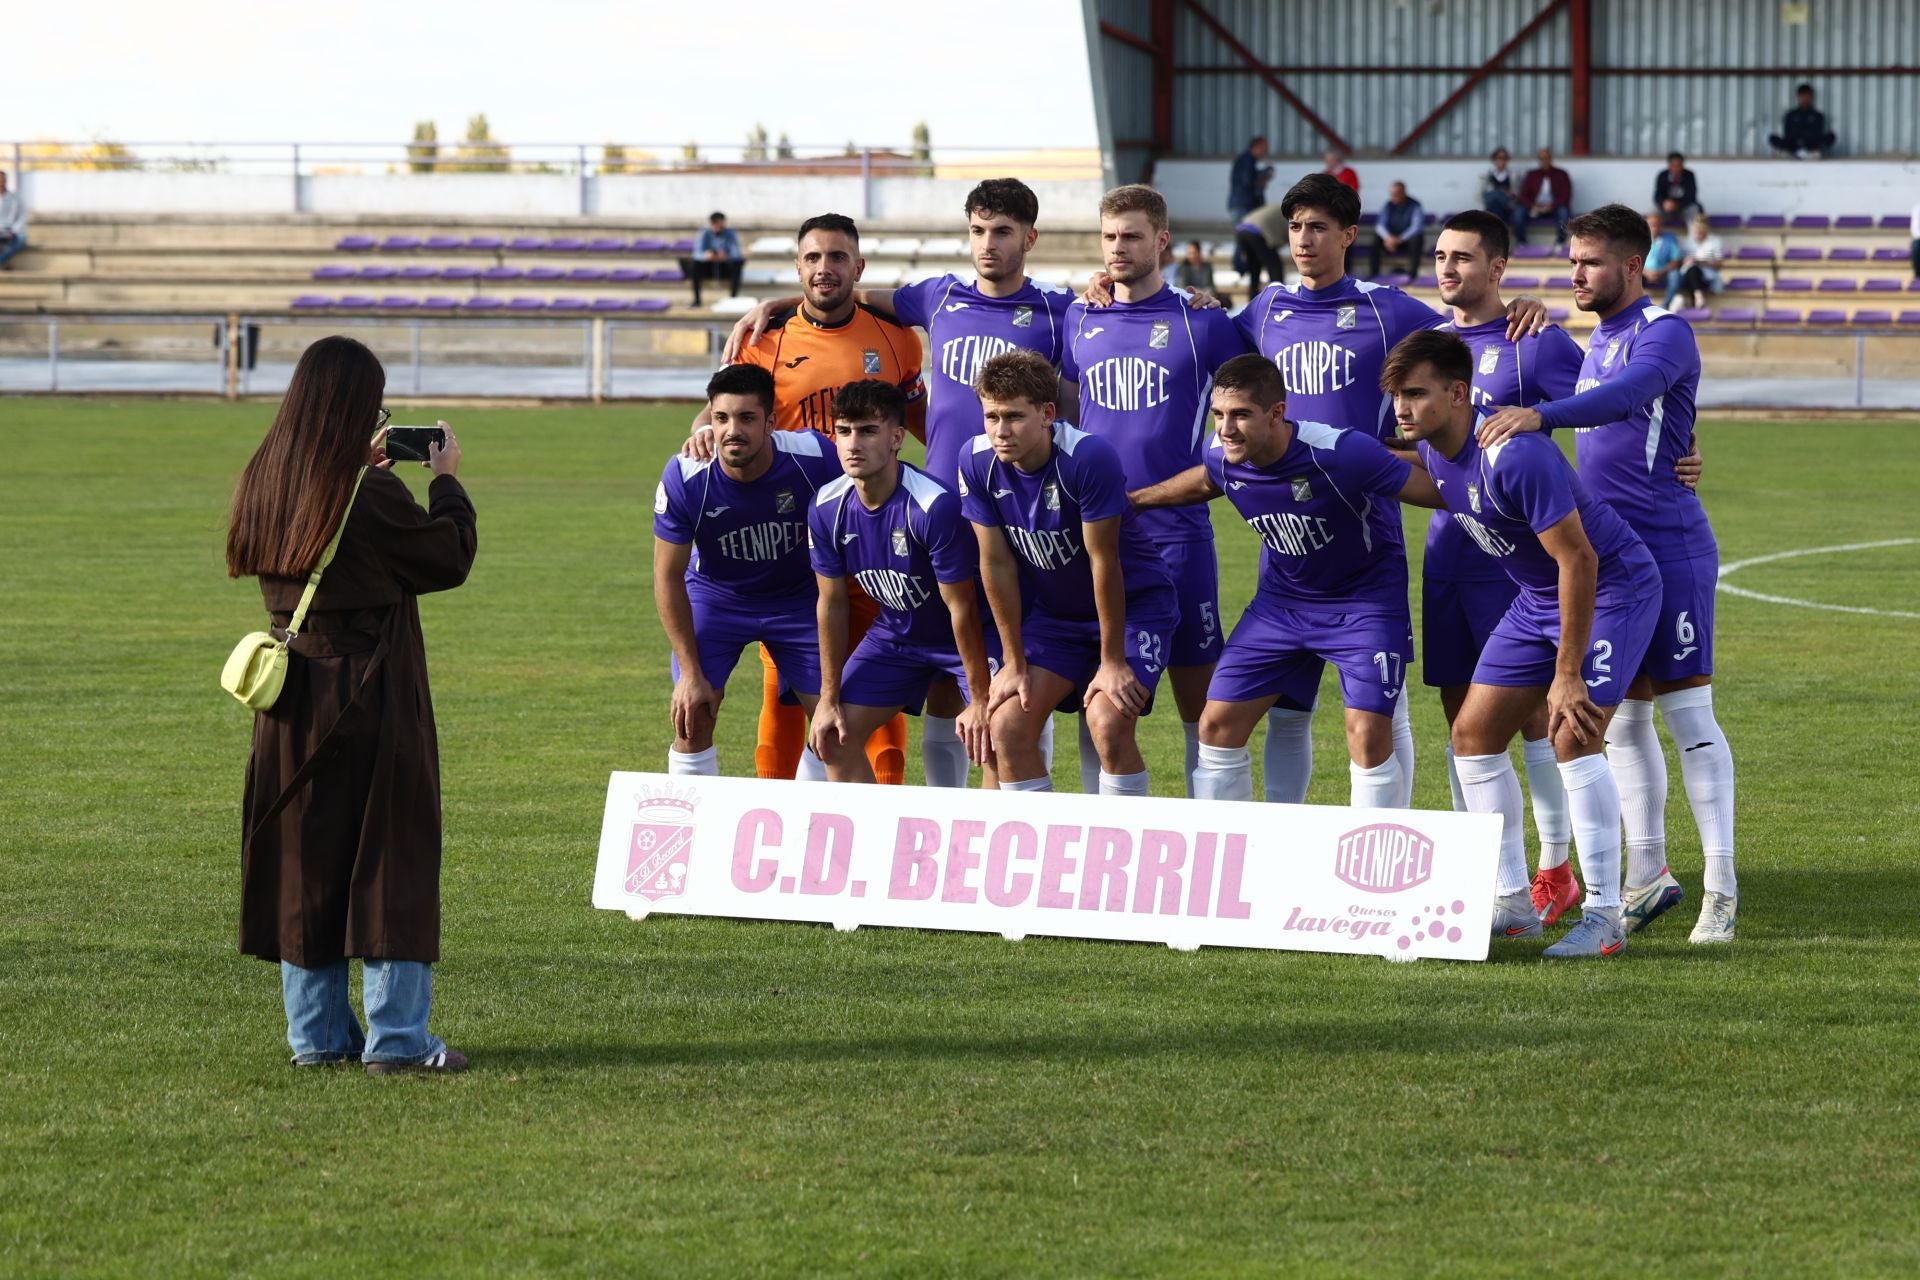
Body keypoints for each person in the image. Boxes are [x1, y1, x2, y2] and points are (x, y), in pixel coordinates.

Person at [723, 179, 1076, 786]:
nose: (988, 245)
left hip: (1020, 513)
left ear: (1029, 238)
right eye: (978, 231)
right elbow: (845, 292)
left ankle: (1011, 809)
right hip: (933, 512)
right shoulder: (938, 298)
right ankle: (928, 817)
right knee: (939, 673)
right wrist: (778, 303)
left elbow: (1106, 334)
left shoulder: (1059, 308)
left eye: (1002, 232)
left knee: (1012, 671)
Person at [1230, 171, 1547, 807]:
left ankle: (1399, 844)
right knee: (1289, 709)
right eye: (1294, 228)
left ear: (1348, 235)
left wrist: (1518, 306)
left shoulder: (1387, 309)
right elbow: (1200, 342)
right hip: (1285, 537)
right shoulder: (1264, 311)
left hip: (1368, 528)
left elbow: (1467, 330)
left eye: (1318, 227)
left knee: (1379, 706)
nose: (1303, 240)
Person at [1480, 204, 1738, 945]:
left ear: (1632, 265)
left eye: (1589, 263)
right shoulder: (1593, 338)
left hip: (1672, 550)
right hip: (1613, 565)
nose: (1576, 274)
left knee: (1690, 721)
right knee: (1620, 720)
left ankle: (1721, 889)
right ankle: (1648, 875)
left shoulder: (1665, 331)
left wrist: (1542, 416)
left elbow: (1632, 396)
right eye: (1571, 262)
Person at [225, 336, 477, 1071]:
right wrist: (448, 482)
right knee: (389, 852)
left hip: (290, 701)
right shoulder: (367, 492)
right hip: (370, 693)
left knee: (306, 862)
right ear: (354, 408)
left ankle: (319, 1037)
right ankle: (399, 1039)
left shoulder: (264, 477)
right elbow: (446, 556)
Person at [1385, 329, 1661, 959]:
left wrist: (1567, 674)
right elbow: (1398, 470)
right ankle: (1513, 904)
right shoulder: (1436, 450)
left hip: (1611, 588)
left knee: (1573, 731)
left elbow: (1580, 562)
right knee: (1472, 736)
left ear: (1458, 393)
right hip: (1538, 599)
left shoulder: (1516, 455)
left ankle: (1603, 915)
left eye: (1416, 394)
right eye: (1397, 395)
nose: (1402, 408)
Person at [1130, 354, 1440, 809]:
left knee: (1368, 734)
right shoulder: (1221, 455)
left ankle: (1374, 864)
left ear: (1276, 413)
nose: (1225, 428)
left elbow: (1435, 490)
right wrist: (1134, 501)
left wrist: (1509, 494)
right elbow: (1205, 481)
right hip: (1280, 606)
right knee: (1215, 728)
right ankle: (1230, 865)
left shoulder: (1342, 452)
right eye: (1218, 415)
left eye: (1240, 415)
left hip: (1364, 605)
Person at [684, 212, 923, 786]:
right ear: (798, 267)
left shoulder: (896, 340)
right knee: (786, 682)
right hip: (791, 535)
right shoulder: (762, 339)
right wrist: (699, 432)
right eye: (813, 258)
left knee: (876, 666)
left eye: (837, 257)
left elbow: (921, 423)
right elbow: (721, 410)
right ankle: (779, 806)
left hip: (870, 527)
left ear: (857, 266)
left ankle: (882, 806)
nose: (824, 269)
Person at [1425, 210, 1587, 924]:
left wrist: (1682, 450)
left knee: (1525, 720)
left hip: (1515, 567)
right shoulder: (1426, 347)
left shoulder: (1534, 341)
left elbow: (1611, 407)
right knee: (1462, 715)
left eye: (1464, 258)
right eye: (1440, 256)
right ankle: (1491, 873)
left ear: (1498, 269)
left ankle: (1553, 865)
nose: (1448, 269)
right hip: (1447, 554)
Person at [1062, 184, 1249, 796]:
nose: (1119, 248)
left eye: (1133, 236)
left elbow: (1257, 398)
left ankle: (1217, 851)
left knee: (1203, 707)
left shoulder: (1204, 325)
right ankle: (1108, 849)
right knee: (1103, 698)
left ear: (1162, 241)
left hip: (1178, 536)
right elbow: (1068, 405)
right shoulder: (1080, 314)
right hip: (1096, 537)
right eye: (1110, 237)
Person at [960, 351, 1179, 795]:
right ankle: (1034, 853)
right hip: (1057, 618)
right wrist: (1014, 662)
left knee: (1108, 722)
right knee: (1006, 726)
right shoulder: (976, 460)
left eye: (1014, 417)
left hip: (1134, 608)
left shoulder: (1087, 457)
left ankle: (1124, 849)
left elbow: (1105, 561)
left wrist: (1112, 661)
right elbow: (996, 563)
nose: (1001, 431)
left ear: (1047, 414)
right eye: (991, 416)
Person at [653, 364, 842, 777]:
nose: (732, 430)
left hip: (797, 600)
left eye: (747, 418)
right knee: (693, 711)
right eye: (721, 418)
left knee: (835, 728)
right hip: (717, 597)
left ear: (771, 422)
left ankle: (803, 827)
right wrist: (689, 673)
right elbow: (667, 578)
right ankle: (695, 828)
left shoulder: (815, 457)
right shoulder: (685, 475)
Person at [808, 380, 995, 785]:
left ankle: (974, 845)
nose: (853, 444)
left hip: (969, 637)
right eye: (844, 431)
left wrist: (981, 700)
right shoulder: (826, 506)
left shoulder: (933, 506)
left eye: (868, 431)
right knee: (832, 736)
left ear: (896, 438)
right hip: (896, 637)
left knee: (996, 736)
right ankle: (872, 844)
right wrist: (828, 697)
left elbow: (960, 608)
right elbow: (832, 603)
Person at [683, 211, 744, 306]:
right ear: (712, 223)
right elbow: (697, 253)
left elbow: (736, 254)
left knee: (738, 264)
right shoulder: (704, 233)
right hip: (708, 266)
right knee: (695, 265)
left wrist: (725, 256)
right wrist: (706, 256)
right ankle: (697, 299)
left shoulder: (730, 233)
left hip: (724, 266)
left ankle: (733, 298)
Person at [1368, 182, 1427, 279]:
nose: (1393, 197)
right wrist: (1388, 238)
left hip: (1406, 241)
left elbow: (1416, 227)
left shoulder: (1415, 205)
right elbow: (1380, 225)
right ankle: (1374, 274)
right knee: (1376, 239)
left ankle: (1413, 275)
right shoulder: (1388, 205)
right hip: (1390, 241)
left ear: (1403, 193)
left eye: (1396, 194)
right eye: (1391, 194)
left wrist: (1399, 239)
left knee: (1417, 238)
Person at [1519, 147, 1573, 247]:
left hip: (1553, 207)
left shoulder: (1561, 174)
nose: (1544, 161)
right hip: (1535, 207)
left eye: (1546, 158)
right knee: (1518, 213)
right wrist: (1532, 206)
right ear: (1538, 160)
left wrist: (1552, 205)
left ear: (1551, 159)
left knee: (1564, 212)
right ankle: (1522, 242)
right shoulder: (1531, 175)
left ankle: (1560, 243)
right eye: (1541, 159)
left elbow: (1566, 195)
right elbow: (1523, 196)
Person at [1233, 203, 1289, 296]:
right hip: (1257, 232)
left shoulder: (1280, 209)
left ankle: (1252, 301)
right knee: (1275, 266)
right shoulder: (1291, 215)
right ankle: (1278, 297)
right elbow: (1292, 239)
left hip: (1242, 229)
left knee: (1254, 269)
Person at [1769, 83, 1837, 158]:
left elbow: (1818, 133)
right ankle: (1792, 153)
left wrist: (1806, 138)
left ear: (1811, 97)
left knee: (1831, 136)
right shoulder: (1790, 115)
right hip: (1794, 145)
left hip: (1811, 145)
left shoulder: (1818, 115)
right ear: (1798, 97)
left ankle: (1811, 153)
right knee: (1773, 138)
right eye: (1802, 96)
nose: (1804, 98)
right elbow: (1788, 134)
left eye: (1807, 96)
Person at [1677, 214, 1726, 310]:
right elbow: (1681, 261)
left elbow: (1720, 264)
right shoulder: (1688, 241)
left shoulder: (1715, 241)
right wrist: (1686, 261)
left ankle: (1694, 301)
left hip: (1707, 276)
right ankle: (1697, 298)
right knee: (1691, 270)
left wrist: (1702, 262)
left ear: (1706, 231)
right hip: (1688, 274)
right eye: (1696, 232)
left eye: (1701, 233)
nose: (1698, 236)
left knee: (1693, 270)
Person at [1482, 148, 1527, 243]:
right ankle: (1503, 239)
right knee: (1496, 203)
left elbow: (1519, 193)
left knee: (1498, 207)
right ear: (1494, 159)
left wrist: (1511, 193)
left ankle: (1496, 241)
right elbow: (1484, 193)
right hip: (1493, 205)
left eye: (1504, 158)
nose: (1502, 161)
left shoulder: (1514, 175)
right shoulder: (1487, 175)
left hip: (1508, 205)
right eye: (1499, 158)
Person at [1642, 210, 1685, 308]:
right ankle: (1638, 308)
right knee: (1631, 275)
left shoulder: (1670, 239)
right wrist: (1646, 272)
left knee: (1675, 275)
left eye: (1657, 225)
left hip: (1663, 273)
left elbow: (1675, 261)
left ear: (1661, 226)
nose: (1655, 228)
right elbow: (1632, 261)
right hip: (1643, 274)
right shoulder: (1638, 240)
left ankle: (1665, 306)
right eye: (1652, 225)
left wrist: (1661, 272)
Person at [1228, 136, 1274, 223]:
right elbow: (1247, 181)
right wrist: (1261, 178)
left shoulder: (1248, 160)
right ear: (1257, 147)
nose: (1266, 151)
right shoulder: (1247, 161)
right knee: (1247, 234)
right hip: (1243, 206)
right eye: (1265, 148)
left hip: (1243, 205)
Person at [1654, 153, 1700, 222]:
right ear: (1669, 166)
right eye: (1673, 166)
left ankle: (1693, 231)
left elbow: (1691, 196)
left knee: (1694, 208)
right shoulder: (1663, 175)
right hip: (1667, 207)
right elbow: (1657, 195)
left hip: (1683, 206)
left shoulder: (1689, 175)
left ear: (1682, 165)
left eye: (1678, 166)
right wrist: (1663, 203)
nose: (1676, 169)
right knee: (1654, 213)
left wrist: (1677, 204)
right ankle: (1657, 232)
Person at [0, 171, 26, 270]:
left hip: (11, 230)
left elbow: (22, 215)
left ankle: (1, 260)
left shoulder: (15, 197)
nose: (1, 181)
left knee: (21, 239)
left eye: (3, 179)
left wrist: (14, 230)